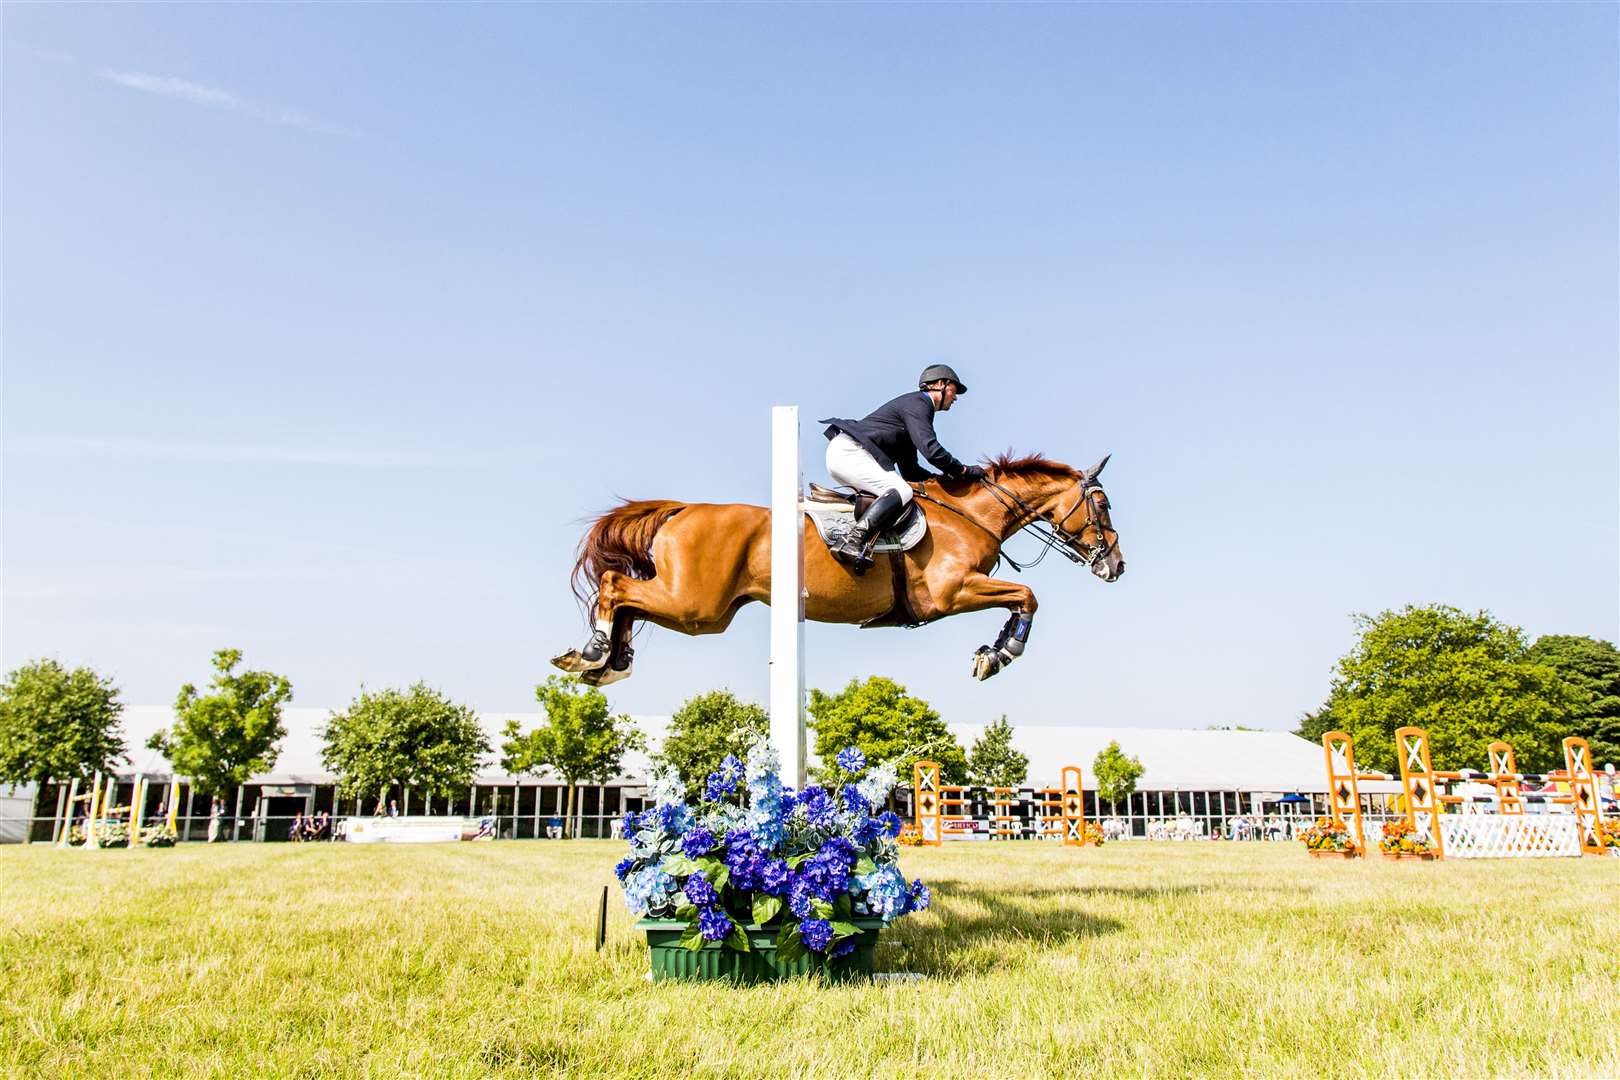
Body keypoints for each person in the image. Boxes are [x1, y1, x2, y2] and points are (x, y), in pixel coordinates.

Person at [819, 364, 984, 574]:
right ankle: (852, 539)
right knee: (902, 491)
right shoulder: (918, 404)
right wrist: (963, 472)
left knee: (902, 488)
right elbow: (932, 451)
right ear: (941, 385)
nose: (956, 397)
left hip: (850, 454)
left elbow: (911, 471)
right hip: (850, 452)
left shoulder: (914, 412)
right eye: (954, 389)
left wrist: (942, 482)